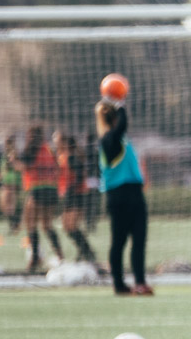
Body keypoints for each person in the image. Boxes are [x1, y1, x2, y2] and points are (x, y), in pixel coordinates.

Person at [96, 101, 150, 295]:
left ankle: (140, 283)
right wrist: (121, 104)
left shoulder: (122, 139)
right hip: (119, 196)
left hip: (134, 193)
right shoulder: (109, 139)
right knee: (119, 242)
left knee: (139, 239)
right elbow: (123, 125)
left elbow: (122, 127)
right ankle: (119, 284)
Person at [19, 124, 64, 271]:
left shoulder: (32, 149)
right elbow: (57, 167)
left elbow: (24, 166)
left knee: (30, 224)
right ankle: (60, 255)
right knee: (47, 225)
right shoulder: (48, 149)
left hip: (37, 189)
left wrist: (12, 159)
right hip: (51, 190)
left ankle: (35, 258)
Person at [55, 134, 99, 268]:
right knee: (67, 226)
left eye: (56, 139)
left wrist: (71, 189)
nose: (54, 142)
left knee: (71, 226)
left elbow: (78, 175)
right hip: (71, 195)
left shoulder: (72, 156)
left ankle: (88, 252)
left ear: (64, 143)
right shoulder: (64, 156)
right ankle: (84, 251)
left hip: (76, 195)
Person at [0, 138, 22, 234]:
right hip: (5, 182)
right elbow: (3, 170)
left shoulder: (14, 154)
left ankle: (13, 227)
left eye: (8, 143)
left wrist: (12, 161)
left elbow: (16, 167)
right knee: (3, 206)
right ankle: (16, 224)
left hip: (13, 183)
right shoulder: (4, 155)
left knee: (9, 206)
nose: (6, 145)